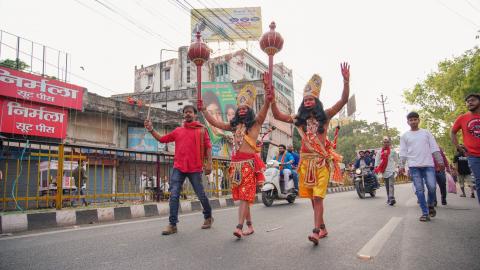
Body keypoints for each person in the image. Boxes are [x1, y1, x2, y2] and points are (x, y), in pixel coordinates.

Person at [270, 63, 350, 245]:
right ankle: (323, 227)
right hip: (305, 164)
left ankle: (315, 231)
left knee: (318, 197)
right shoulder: (298, 119)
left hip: (321, 163)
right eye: (305, 99)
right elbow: (277, 115)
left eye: (311, 99)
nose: (308, 101)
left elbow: (343, 100)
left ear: (316, 101)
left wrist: (346, 81)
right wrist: (271, 99)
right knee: (314, 200)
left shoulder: (327, 115)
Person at [200, 80, 270, 239]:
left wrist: (267, 94)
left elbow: (265, 109)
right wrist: (204, 111)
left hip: (249, 165)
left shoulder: (255, 124)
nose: (243, 110)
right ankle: (250, 226)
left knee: (245, 197)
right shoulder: (234, 126)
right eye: (240, 108)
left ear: (250, 111)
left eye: (245, 108)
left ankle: (239, 227)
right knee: (243, 197)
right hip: (236, 166)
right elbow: (215, 122)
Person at [145, 105, 214, 235]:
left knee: (201, 195)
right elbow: (162, 139)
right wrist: (151, 129)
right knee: (174, 194)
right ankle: (172, 225)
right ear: (183, 115)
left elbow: (208, 147)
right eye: (185, 112)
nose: (188, 114)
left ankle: (208, 217)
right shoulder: (178, 131)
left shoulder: (202, 130)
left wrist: (209, 164)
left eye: (190, 112)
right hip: (179, 167)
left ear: (195, 115)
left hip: (195, 167)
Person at [399, 112, 444, 222]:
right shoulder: (405, 136)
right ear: (408, 122)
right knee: (419, 190)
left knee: (432, 187)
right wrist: (401, 166)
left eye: (415, 119)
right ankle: (425, 213)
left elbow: (434, 147)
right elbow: (403, 152)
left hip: (428, 165)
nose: (413, 121)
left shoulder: (426, 133)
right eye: (411, 120)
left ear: (419, 120)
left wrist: (440, 161)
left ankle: (430, 205)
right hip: (414, 167)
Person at [451, 93, 480, 204]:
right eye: (468, 101)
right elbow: (453, 132)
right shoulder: (463, 118)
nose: (469, 103)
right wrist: (457, 146)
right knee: (479, 181)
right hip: (473, 156)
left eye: (472, 100)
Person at [374, 137, 398, 206]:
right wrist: (376, 167)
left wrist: (397, 167)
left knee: (391, 184)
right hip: (384, 171)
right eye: (384, 142)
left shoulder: (393, 151)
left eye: (387, 142)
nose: (386, 143)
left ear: (389, 143)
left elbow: (397, 160)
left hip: (391, 170)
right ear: (383, 143)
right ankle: (389, 198)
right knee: (387, 185)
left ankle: (391, 197)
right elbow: (377, 160)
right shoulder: (379, 152)